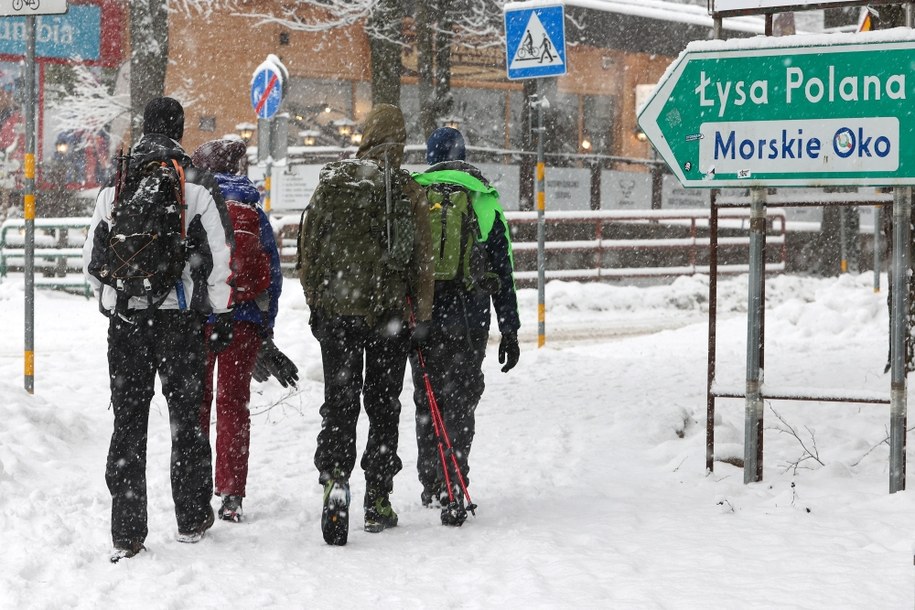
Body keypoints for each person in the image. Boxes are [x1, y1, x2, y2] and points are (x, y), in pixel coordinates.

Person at [83, 97, 235, 563]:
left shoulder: (117, 185)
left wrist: (118, 305)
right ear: (180, 129)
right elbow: (220, 263)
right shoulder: (195, 188)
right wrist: (217, 315)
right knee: (185, 419)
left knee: (128, 424)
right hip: (179, 325)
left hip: (129, 322)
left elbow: (93, 265)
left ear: (144, 128)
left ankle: (127, 532)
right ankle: (191, 517)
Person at [298, 103, 433, 545]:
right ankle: (377, 497)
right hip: (388, 316)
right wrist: (422, 316)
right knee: (383, 404)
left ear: (366, 136)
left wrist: (317, 304)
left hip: (338, 314)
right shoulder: (405, 189)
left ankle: (336, 479)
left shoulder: (333, 183)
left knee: (339, 403)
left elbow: (308, 250)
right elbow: (422, 262)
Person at [410, 127, 521, 526]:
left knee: (428, 400)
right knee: (461, 400)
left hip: (423, 317)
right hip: (470, 319)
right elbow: (503, 268)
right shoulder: (484, 198)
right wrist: (510, 328)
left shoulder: (414, 193)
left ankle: (430, 480)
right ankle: (454, 478)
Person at [191, 138, 296, 524]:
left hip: (203, 318)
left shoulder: (196, 202)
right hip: (246, 319)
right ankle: (231, 492)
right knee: (234, 405)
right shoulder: (251, 208)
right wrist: (264, 328)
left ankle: (196, 487)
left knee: (198, 404)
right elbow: (274, 275)